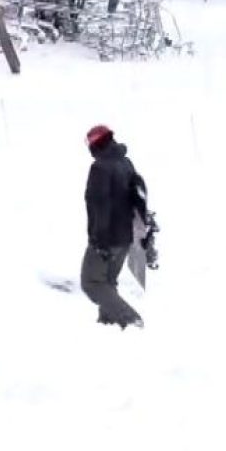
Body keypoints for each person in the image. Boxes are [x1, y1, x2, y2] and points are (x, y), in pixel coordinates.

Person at [81, 125, 151, 329]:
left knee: (92, 283)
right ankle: (108, 325)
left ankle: (130, 319)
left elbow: (100, 206)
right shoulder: (125, 163)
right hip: (125, 238)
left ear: (96, 143)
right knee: (108, 282)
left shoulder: (100, 168)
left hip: (106, 239)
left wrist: (98, 241)